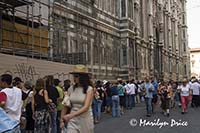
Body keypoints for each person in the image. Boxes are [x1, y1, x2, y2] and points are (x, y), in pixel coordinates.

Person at [60, 65, 94, 133]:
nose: (74, 78)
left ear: (82, 77)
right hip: (72, 120)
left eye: (76, 76)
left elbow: (86, 107)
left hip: (85, 119)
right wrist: (61, 120)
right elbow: (65, 105)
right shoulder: (70, 89)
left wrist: (71, 115)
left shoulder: (89, 89)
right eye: (74, 76)